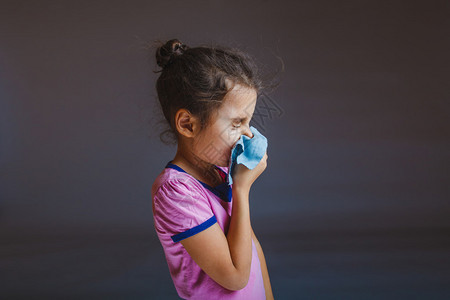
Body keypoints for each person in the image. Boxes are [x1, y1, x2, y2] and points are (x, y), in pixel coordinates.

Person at [151, 38, 274, 300]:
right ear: (188, 125)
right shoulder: (175, 191)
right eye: (237, 122)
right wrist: (241, 189)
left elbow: (251, 248)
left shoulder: (220, 173)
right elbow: (235, 277)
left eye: (248, 122)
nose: (248, 135)